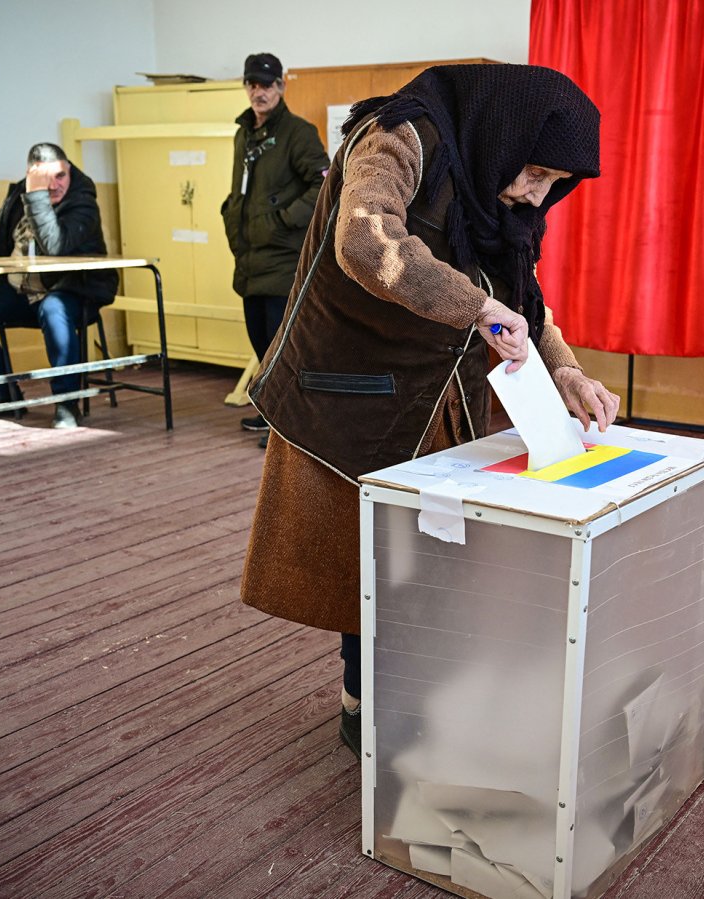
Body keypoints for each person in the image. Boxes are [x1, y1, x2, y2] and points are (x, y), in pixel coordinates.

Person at [240, 65, 620, 757]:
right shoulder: (397, 138)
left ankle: (422, 690)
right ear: (505, 133)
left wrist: (564, 368)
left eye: (553, 183)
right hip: (350, 393)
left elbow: (520, 291)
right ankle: (366, 706)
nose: (535, 193)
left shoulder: (492, 178)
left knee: (430, 560)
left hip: (434, 395)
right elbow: (365, 241)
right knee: (369, 565)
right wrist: (477, 308)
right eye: (535, 172)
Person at [0, 142, 117, 429]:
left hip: (73, 291)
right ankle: (5, 393)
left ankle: (67, 401)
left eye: (61, 176)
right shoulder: (18, 194)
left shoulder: (83, 200)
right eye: (45, 179)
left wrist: (37, 195)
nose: (54, 185)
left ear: (69, 171)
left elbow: (55, 246)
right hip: (22, 292)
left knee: (54, 308)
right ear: (30, 176)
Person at [220, 52, 330, 448]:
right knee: (260, 341)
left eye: (266, 84)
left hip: (283, 257)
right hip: (250, 256)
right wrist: (231, 217)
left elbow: (324, 183)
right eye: (252, 84)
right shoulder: (244, 134)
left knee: (281, 345)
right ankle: (271, 413)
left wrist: (282, 220)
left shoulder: (297, 133)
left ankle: (286, 429)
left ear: (280, 87)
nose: (259, 92)